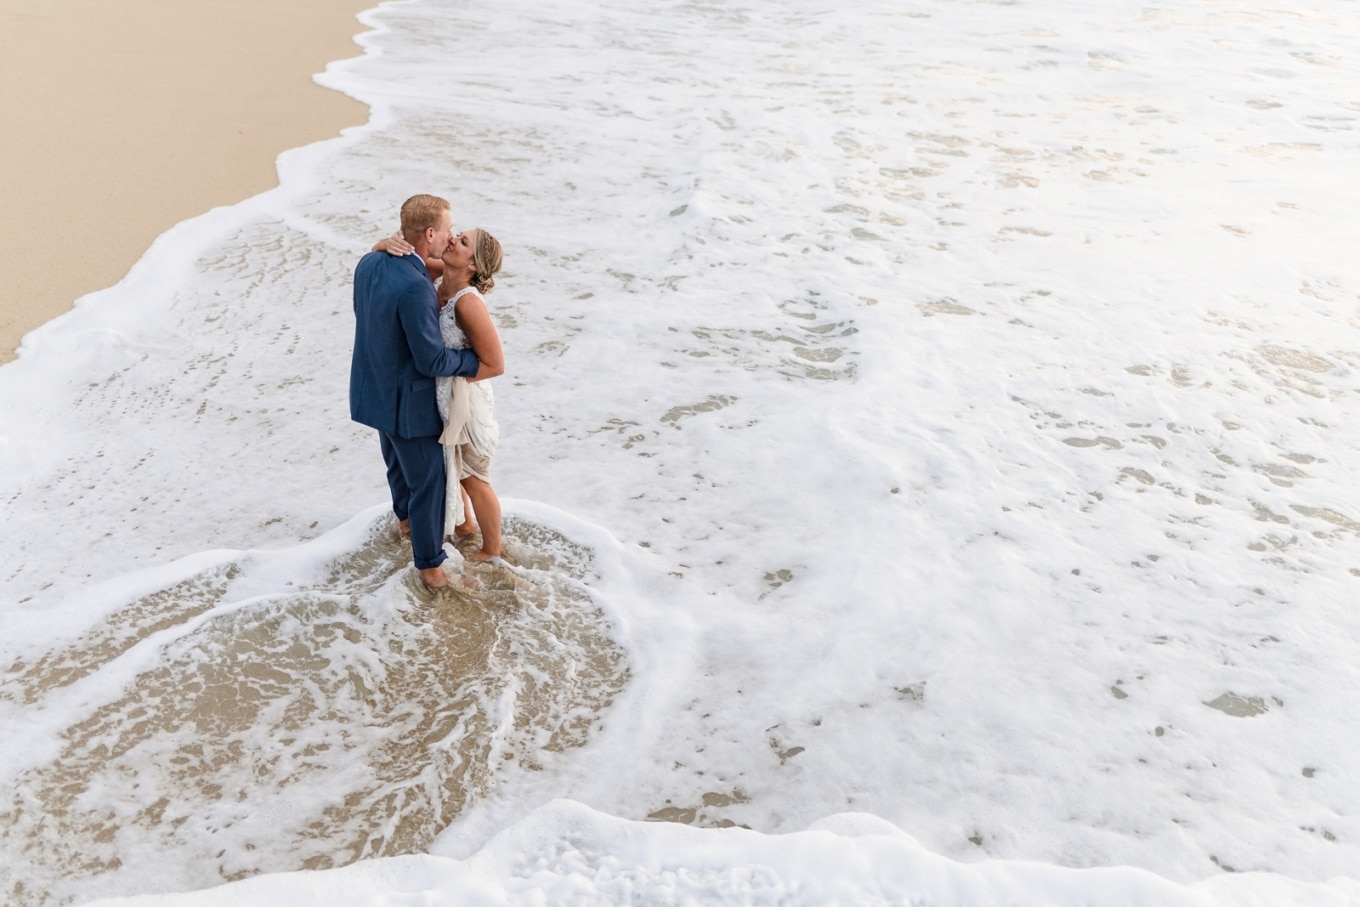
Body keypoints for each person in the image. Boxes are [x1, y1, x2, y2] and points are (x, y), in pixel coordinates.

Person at [350, 194, 479, 587]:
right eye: (448, 230)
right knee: (430, 483)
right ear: (429, 233)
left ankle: (405, 523)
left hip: (371, 391)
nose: (452, 236)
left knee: (397, 466)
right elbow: (431, 362)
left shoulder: (369, 262)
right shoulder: (414, 287)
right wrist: (474, 362)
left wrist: (379, 242)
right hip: (408, 404)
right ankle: (431, 569)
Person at [374, 227, 506, 561]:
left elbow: (495, 365)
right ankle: (464, 528)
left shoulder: (469, 304)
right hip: (438, 395)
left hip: (466, 399)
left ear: (473, 265)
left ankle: (492, 548)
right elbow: (397, 258)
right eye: (456, 234)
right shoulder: (436, 276)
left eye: (462, 243)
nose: (452, 240)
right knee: (450, 467)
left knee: (474, 476)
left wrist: (443, 367)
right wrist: (383, 243)